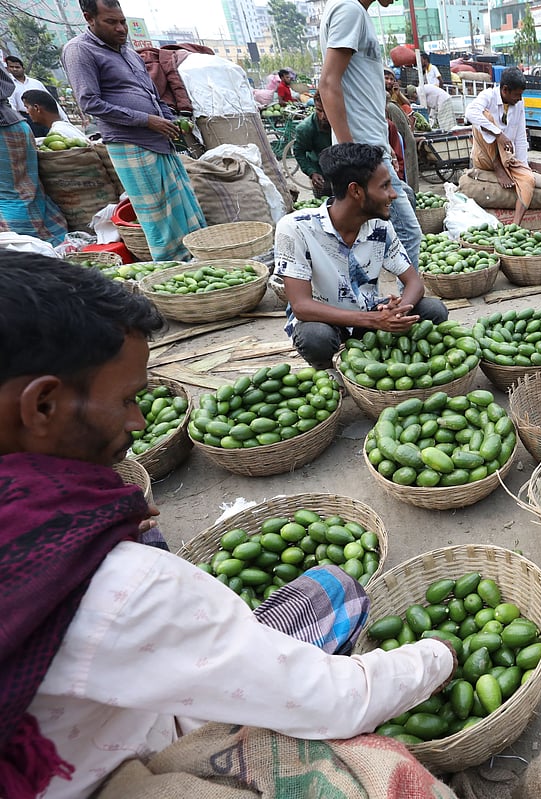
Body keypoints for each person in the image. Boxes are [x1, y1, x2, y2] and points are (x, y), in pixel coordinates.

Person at [0, 252, 458, 799]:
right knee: (359, 757)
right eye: (126, 399)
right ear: (42, 406)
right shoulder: (120, 586)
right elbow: (339, 701)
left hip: (98, 713)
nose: (138, 421)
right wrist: (440, 654)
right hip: (102, 767)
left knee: (331, 587)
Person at [276, 143, 448, 370]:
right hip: (326, 320)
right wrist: (375, 320)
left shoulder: (380, 226)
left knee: (434, 310)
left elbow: (414, 283)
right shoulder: (296, 228)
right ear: (356, 191)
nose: (393, 194)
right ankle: (327, 372)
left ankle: (394, 360)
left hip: (369, 312)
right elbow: (301, 306)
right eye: (384, 186)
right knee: (315, 338)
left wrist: (397, 312)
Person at [62, 0, 206, 262]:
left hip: (160, 140)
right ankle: (172, 268)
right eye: (111, 22)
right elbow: (90, 102)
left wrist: (168, 119)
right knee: (158, 217)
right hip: (130, 142)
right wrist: (147, 120)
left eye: (123, 22)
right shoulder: (80, 50)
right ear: (89, 18)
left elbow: (152, 96)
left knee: (182, 207)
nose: (120, 28)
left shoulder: (128, 53)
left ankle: (196, 257)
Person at [319, 0, 422, 267]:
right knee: (409, 233)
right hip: (363, 152)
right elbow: (328, 83)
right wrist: (351, 155)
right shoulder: (350, 10)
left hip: (370, 148)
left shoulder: (354, 12)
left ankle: (359, 292)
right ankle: (409, 294)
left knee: (363, 237)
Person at [0, 68, 67, 243]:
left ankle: (26, 244)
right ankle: (52, 239)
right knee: (28, 187)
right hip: (16, 124)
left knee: (7, 195)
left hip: (4, 131)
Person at [466, 67, 533, 226]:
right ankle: (498, 168)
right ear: (505, 90)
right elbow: (470, 113)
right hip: (486, 158)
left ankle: (515, 225)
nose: (519, 99)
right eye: (517, 95)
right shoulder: (488, 96)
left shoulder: (519, 104)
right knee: (484, 117)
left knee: (529, 180)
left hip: (507, 159)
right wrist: (498, 134)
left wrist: (524, 165)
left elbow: (521, 136)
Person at [293, 91, 333, 197]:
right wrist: (312, 172)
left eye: (328, 110)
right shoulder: (305, 128)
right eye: (319, 110)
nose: (323, 116)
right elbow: (299, 152)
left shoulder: (345, 123)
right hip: (321, 172)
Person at [19, 89, 90, 142]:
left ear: (37, 108)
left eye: (27, 107)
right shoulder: (66, 127)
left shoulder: (58, 133)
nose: (27, 112)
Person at [4, 55, 48, 134]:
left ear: (23, 68)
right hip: (24, 118)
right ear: (7, 69)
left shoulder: (36, 83)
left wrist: (63, 119)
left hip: (43, 116)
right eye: (11, 67)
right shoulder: (8, 86)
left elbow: (49, 100)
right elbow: (11, 106)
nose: (14, 69)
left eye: (17, 67)